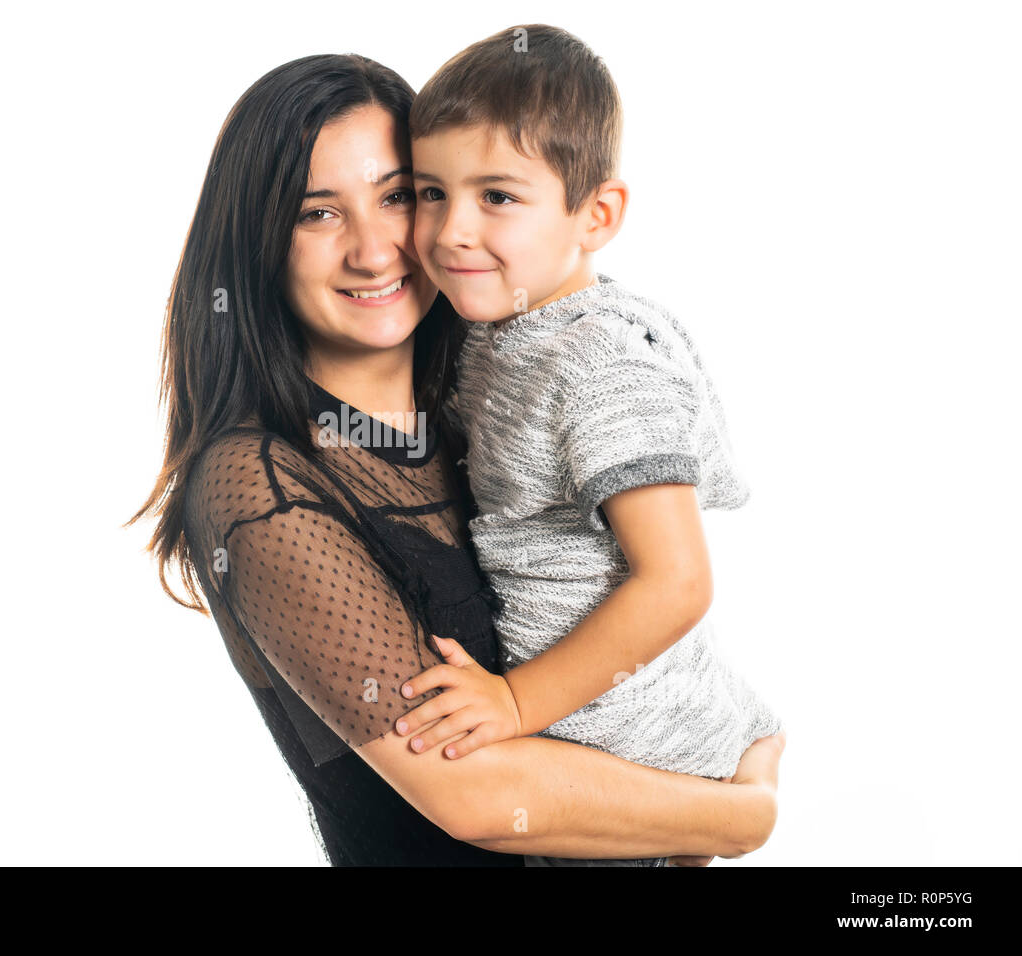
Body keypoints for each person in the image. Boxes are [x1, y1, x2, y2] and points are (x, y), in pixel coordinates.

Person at [127, 50, 785, 867]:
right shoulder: (258, 487)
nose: (375, 250)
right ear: (260, 243)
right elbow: (476, 794)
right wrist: (742, 814)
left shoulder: (495, 403)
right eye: (317, 213)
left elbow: (653, 608)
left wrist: (727, 736)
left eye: (399, 196)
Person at [389, 24, 786, 867]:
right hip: (589, 734)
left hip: (624, 747)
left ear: (596, 215)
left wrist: (516, 703)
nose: (452, 229)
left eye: (497, 196)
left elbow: (677, 580)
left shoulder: (599, 359)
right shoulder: (502, 327)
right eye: (430, 192)